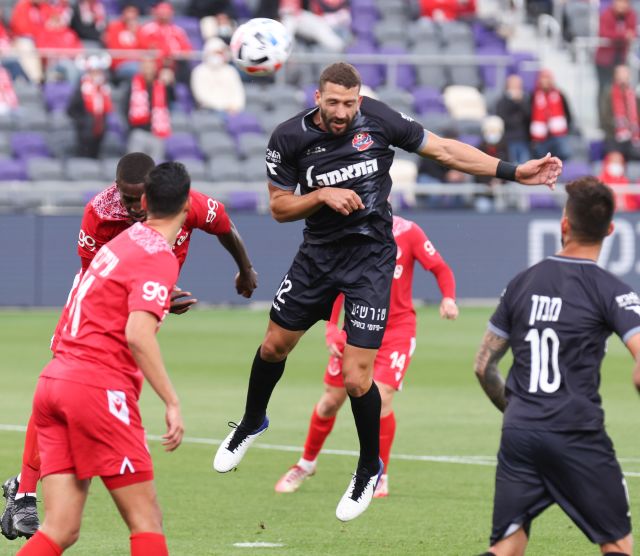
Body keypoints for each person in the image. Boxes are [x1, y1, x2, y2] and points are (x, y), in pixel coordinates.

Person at [212, 62, 562, 522]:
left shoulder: (378, 119)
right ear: (317, 98)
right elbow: (279, 207)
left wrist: (515, 172)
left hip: (371, 262)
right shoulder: (288, 138)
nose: (342, 112)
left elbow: (445, 150)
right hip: (317, 257)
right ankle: (252, 420)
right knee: (274, 346)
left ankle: (367, 470)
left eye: (349, 103)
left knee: (357, 379)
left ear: (359, 99)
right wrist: (320, 196)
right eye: (333, 102)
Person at [1, 152, 259, 541]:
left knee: (64, 521)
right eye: (127, 198)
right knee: (67, 375)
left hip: (144, 296)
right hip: (99, 302)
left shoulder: (183, 204)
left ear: (153, 193)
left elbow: (223, 224)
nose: (135, 207)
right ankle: (24, 493)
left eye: (140, 198)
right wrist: (156, 295)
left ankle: (36, 485)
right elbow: (96, 281)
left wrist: (245, 268)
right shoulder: (100, 213)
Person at [14, 162, 190, 556]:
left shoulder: (118, 245)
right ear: (186, 208)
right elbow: (137, 334)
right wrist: (172, 401)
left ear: (145, 202)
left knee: (60, 529)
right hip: (96, 388)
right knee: (146, 521)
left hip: (54, 381)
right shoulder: (158, 255)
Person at [474, 176, 639, 556]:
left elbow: (483, 366)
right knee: (616, 543)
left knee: (507, 546)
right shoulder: (613, 290)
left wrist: (518, 411)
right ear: (610, 230)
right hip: (575, 432)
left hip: (520, 432)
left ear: (564, 224)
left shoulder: (521, 283)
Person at [274, 214, 458, 498]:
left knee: (380, 398)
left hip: (396, 331)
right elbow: (337, 284)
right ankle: (306, 464)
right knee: (329, 403)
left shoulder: (409, 232)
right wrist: (331, 328)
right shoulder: (354, 230)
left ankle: (378, 475)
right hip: (359, 326)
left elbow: (440, 268)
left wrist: (448, 297)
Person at [123, 57, 174, 162]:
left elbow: (172, 100)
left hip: (157, 134)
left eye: (151, 67)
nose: (148, 70)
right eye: (146, 67)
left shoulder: (162, 86)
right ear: (141, 68)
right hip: (138, 132)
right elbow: (125, 107)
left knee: (155, 166)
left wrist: (171, 83)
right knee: (135, 166)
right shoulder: (133, 85)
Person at [595, 0, 637, 123]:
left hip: (622, 58)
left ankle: (624, 120)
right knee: (605, 89)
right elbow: (604, 33)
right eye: (619, 2)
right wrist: (623, 35)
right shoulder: (606, 14)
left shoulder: (631, 14)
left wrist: (625, 35)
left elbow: (633, 32)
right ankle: (603, 121)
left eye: (625, 3)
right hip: (604, 60)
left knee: (623, 90)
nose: (622, 6)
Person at [67, 55, 112, 158]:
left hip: (99, 131)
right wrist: (82, 122)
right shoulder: (82, 88)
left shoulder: (104, 89)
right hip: (84, 132)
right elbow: (71, 109)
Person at [190, 37, 245, 113]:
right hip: (210, 112)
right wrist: (223, 106)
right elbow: (201, 96)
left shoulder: (230, 71)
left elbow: (238, 93)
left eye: (220, 53)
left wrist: (235, 107)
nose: (218, 56)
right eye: (215, 53)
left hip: (232, 111)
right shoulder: (199, 72)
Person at [530, 68, 572, 161]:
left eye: (548, 78)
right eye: (543, 78)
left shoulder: (560, 94)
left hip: (558, 135)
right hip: (540, 137)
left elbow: (568, 114)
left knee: (562, 158)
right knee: (542, 160)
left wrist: (566, 129)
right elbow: (529, 115)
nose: (546, 81)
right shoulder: (533, 96)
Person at [601, 64, 640, 161]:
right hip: (614, 137)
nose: (623, 78)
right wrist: (621, 125)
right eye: (621, 75)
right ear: (615, 76)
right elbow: (604, 118)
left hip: (633, 137)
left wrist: (631, 128)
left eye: (626, 75)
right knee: (616, 159)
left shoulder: (633, 95)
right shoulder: (608, 94)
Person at [496, 74, 531, 165]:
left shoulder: (526, 100)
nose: (516, 88)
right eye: (514, 85)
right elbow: (502, 118)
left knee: (525, 165)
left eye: (518, 85)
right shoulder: (502, 101)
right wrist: (511, 100)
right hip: (509, 140)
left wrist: (520, 102)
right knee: (511, 166)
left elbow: (529, 116)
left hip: (523, 139)